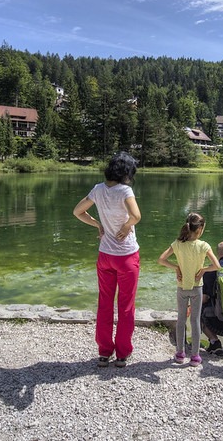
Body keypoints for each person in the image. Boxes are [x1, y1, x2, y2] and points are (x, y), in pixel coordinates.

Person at [73, 152, 141, 368]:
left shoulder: (98, 189)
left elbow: (77, 212)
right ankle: (122, 354)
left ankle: (104, 352)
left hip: (105, 256)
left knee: (104, 304)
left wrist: (98, 225)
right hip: (127, 256)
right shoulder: (125, 190)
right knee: (126, 305)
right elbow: (137, 216)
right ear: (127, 173)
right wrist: (126, 226)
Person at [158, 212, 221, 367]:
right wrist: (204, 270)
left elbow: (161, 259)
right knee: (195, 320)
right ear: (200, 230)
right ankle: (195, 356)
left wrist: (176, 268)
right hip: (197, 288)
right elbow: (217, 266)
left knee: (181, 320)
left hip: (181, 288)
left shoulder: (177, 244)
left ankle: (180, 354)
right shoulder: (204, 246)